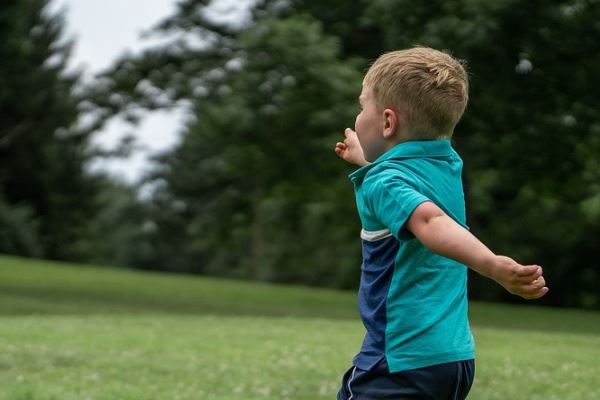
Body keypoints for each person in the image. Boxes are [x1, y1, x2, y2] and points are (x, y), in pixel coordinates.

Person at [334, 47, 548, 400]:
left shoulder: (384, 182)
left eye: (362, 106)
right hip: (453, 359)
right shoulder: (446, 162)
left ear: (387, 122)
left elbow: (429, 220)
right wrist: (366, 158)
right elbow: (407, 178)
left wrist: (492, 266)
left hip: (401, 356)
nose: (357, 116)